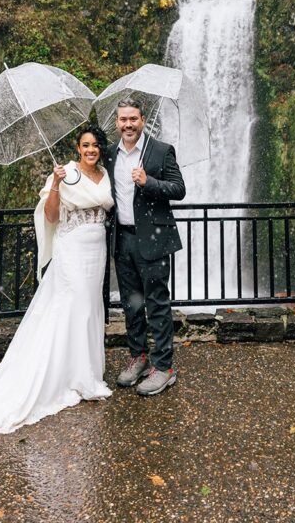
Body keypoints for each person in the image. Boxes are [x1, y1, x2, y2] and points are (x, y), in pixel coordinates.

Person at [0, 125, 114, 435]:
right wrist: (55, 186)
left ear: (100, 149)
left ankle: (87, 373)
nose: (91, 150)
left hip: (97, 249)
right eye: (86, 145)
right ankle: (66, 375)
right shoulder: (63, 173)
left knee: (90, 307)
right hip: (73, 249)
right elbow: (51, 216)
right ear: (78, 148)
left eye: (95, 146)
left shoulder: (105, 174)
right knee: (72, 306)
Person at [104, 98, 186, 396]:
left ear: (142, 120)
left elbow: (178, 189)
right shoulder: (110, 154)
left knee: (157, 303)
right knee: (132, 303)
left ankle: (164, 367)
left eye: (133, 119)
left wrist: (148, 181)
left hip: (153, 240)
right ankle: (138, 357)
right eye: (123, 119)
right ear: (117, 123)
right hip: (123, 240)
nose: (128, 124)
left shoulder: (161, 151)